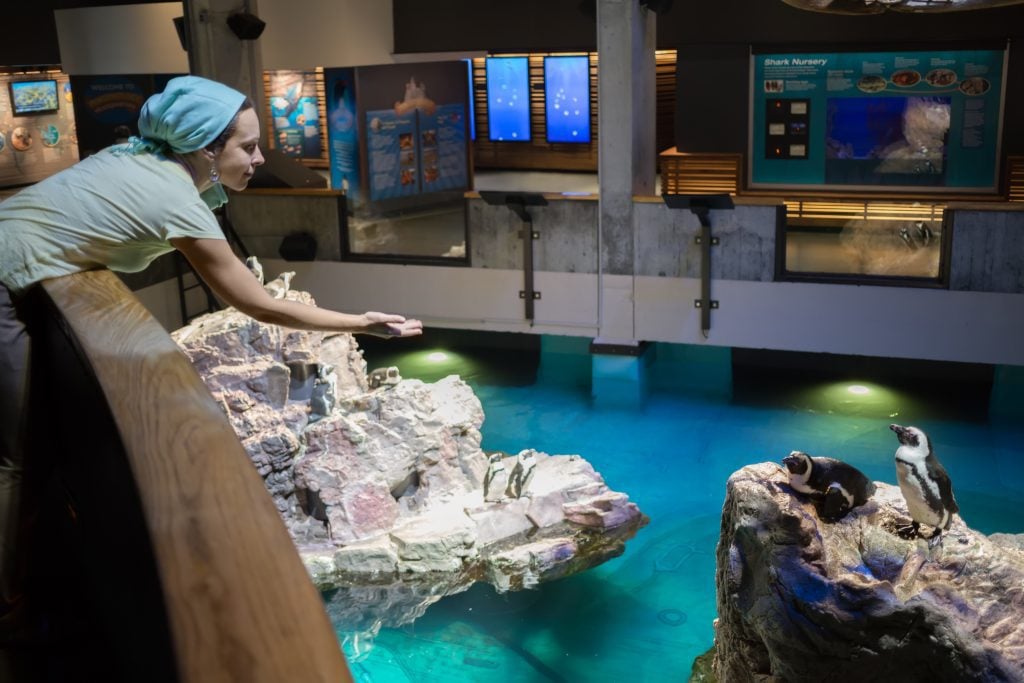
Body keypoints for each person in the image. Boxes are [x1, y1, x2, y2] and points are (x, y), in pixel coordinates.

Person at [0, 75, 422, 632]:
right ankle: (9, 611)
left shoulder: (142, 159)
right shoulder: (172, 195)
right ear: (204, 148)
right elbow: (260, 307)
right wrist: (362, 323)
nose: (260, 156)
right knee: (13, 460)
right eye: (248, 146)